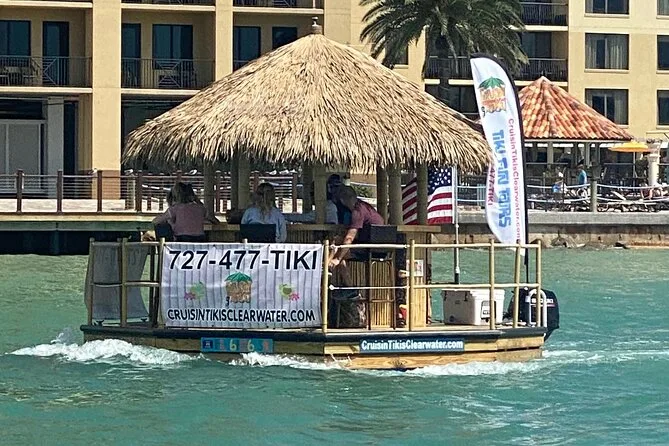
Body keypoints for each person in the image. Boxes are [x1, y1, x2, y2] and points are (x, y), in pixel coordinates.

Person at [329, 185, 383, 268]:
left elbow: (349, 238)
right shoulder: (365, 206)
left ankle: (325, 270)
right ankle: (345, 276)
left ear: (342, 201)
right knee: (339, 245)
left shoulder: (357, 211)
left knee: (339, 252)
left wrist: (337, 259)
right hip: (381, 246)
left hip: (370, 249)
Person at [152, 182, 218, 242]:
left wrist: (171, 223)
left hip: (182, 239)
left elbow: (155, 221)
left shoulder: (175, 208)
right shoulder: (201, 208)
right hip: (200, 239)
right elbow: (215, 221)